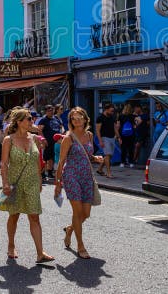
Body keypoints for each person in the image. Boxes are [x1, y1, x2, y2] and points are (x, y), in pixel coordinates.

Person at [0, 109, 53, 264]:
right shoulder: (9, 139)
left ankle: (40, 253)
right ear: (19, 121)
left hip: (32, 183)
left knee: (34, 217)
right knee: (14, 216)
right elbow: (4, 163)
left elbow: (38, 161)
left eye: (32, 119)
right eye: (29, 119)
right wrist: (5, 183)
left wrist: (39, 179)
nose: (32, 121)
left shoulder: (35, 139)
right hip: (15, 182)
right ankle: (11, 245)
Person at [54, 107, 103, 260]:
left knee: (85, 214)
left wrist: (95, 158)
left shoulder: (89, 135)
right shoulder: (68, 137)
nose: (77, 120)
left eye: (79, 117)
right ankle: (80, 245)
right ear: (71, 122)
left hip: (86, 176)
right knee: (77, 212)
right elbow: (61, 161)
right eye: (74, 118)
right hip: (71, 176)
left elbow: (88, 155)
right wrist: (57, 184)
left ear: (85, 118)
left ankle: (70, 229)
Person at [37, 105, 63, 181]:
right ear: (46, 112)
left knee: (52, 158)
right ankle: (42, 174)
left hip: (56, 143)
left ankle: (50, 173)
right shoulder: (43, 120)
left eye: (52, 110)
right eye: (49, 110)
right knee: (45, 158)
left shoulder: (56, 119)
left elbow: (60, 128)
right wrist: (43, 140)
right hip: (47, 142)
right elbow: (39, 131)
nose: (51, 112)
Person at [95, 103, 118, 178]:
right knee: (107, 155)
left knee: (110, 156)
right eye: (111, 111)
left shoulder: (112, 117)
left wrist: (119, 137)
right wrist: (100, 141)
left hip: (112, 138)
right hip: (104, 138)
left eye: (113, 111)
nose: (112, 112)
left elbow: (115, 128)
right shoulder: (100, 118)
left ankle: (100, 169)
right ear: (106, 110)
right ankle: (108, 173)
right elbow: (97, 130)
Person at [118, 103, 136, 168]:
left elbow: (118, 125)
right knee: (131, 149)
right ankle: (131, 163)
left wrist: (118, 136)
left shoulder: (121, 116)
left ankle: (122, 162)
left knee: (123, 149)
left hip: (123, 135)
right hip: (131, 135)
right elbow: (135, 125)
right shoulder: (133, 116)